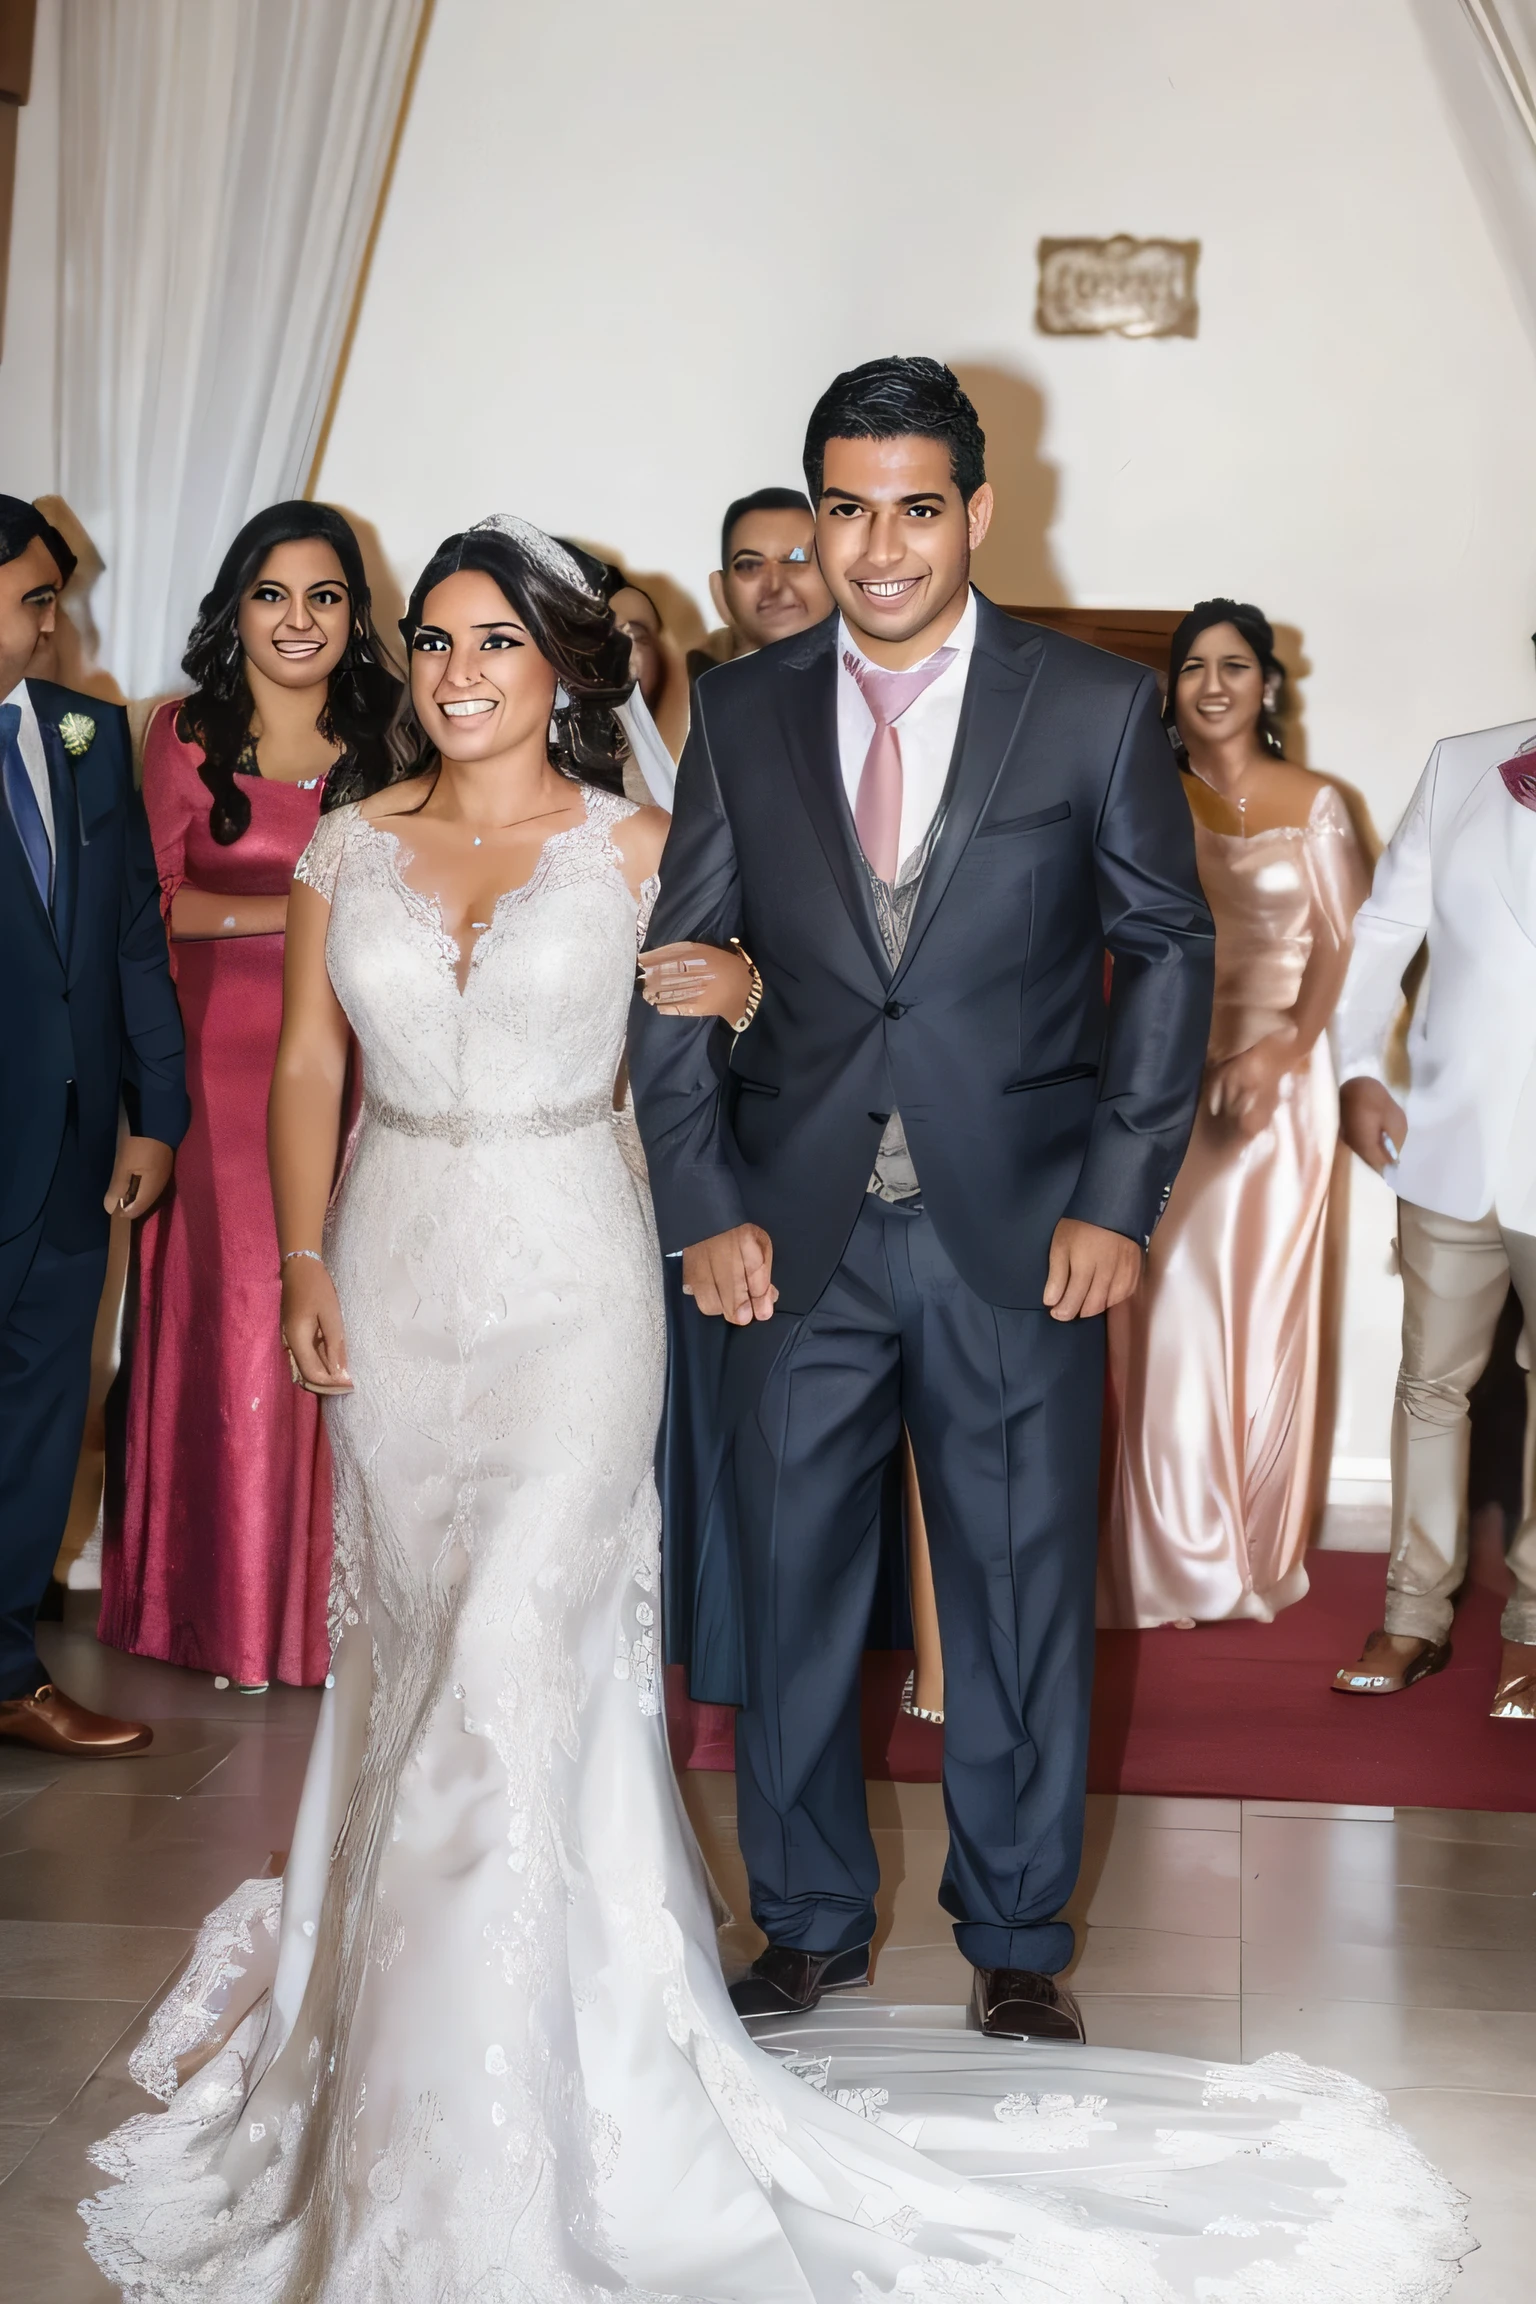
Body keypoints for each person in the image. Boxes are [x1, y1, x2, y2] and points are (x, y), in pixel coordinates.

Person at [80, 514, 1467, 2304]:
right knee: (417, 1650)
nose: (457, 670)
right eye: (431, 641)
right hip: (404, 1269)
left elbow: (816, 1006)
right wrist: (306, 1263)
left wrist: (738, 996)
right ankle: (403, 2029)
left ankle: (515, 2070)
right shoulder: (349, 844)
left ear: (561, 664)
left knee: (520, 1649)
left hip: (581, 1281)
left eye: (494, 640)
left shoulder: (644, 838)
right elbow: (306, 1066)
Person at [630, 358, 1216, 2043]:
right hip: (791, 1233)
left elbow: (1169, 952)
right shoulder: (743, 712)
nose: (874, 546)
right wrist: (700, 1201)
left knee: (1022, 1585)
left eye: (910, 506)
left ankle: (1019, 1926)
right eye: (842, 505)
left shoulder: (1089, 705)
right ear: (813, 512)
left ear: (976, 509)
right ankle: (807, 1915)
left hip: (1020, 1231)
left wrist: (1119, 1193)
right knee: (789, 1587)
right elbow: (679, 974)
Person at [98, 504, 401, 1694]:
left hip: (361, 1058)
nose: (298, 619)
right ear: (237, 605)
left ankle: (335, 1619)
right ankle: (218, 1614)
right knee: (230, 1323)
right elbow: (147, 910)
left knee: (353, 1307)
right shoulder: (182, 733)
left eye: (324, 596)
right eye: (273, 594)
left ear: (353, 614)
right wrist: (300, 915)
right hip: (215, 1066)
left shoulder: (394, 732)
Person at [1098, 601, 1369, 1629]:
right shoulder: (1144, 794)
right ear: (1171, 690)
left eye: (1236, 666)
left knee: (1263, 1309)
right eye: (1195, 667)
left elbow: (1348, 946)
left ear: (1268, 686)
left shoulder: (1321, 803)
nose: (1214, 684)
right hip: (1166, 1081)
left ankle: (1253, 1544)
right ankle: (1166, 1553)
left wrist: (1285, 1048)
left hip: (1279, 1091)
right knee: (1164, 1314)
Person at [0, 496, 187, 1758]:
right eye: (30, 598)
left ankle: (11, 1671)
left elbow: (126, 937)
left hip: (72, 1154)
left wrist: (152, 1111)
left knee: (34, 1422)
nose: (53, 622)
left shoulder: (84, 732)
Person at [1331, 708, 1536, 1716]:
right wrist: (1359, 1065)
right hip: (1450, 1135)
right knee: (1429, 1383)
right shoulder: (1465, 764)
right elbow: (1384, 926)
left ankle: (1534, 1629)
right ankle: (1413, 1615)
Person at [686, 484, 833, 679]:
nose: (774, 585)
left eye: (796, 559)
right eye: (749, 566)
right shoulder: (704, 693)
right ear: (720, 591)